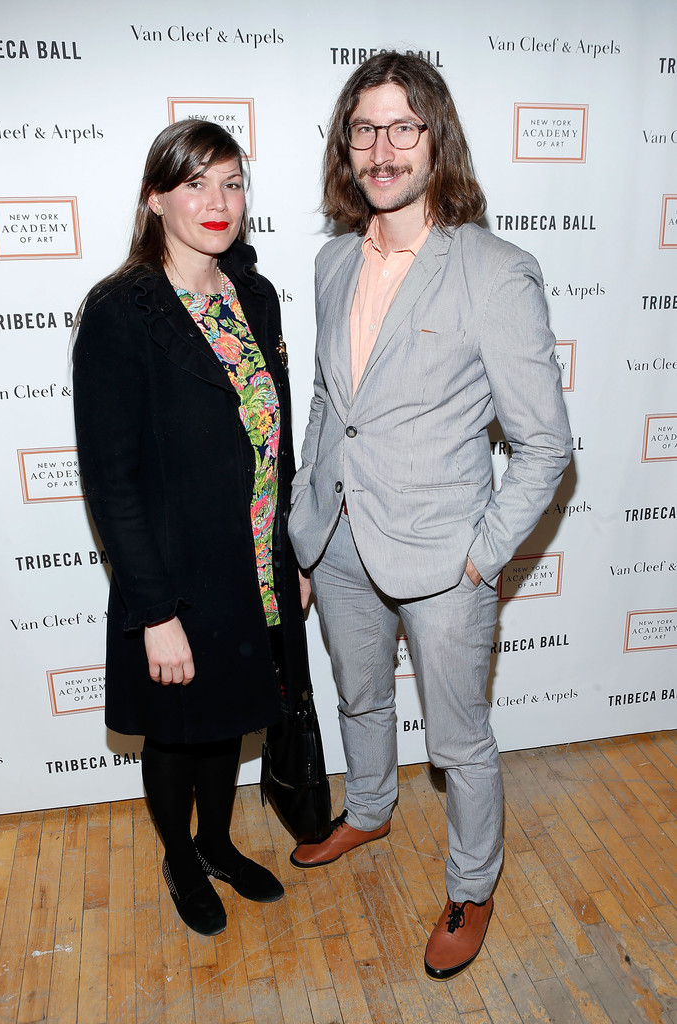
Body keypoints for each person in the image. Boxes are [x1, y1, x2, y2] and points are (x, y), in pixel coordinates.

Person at [288, 53, 572, 979]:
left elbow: (544, 446)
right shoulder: (332, 260)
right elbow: (333, 406)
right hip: (337, 539)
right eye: (363, 129)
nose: (381, 148)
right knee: (359, 696)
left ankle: (472, 882)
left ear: (434, 137)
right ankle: (368, 806)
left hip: (447, 552)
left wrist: (484, 557)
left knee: (458, 743)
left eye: (401, 127)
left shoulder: (494, 270)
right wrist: (303, 525)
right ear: (346, 145)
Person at [73, 120, 310, 936]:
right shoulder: (121, 309)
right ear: (155, 199)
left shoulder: (256, 293)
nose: (218, 202)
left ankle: (218, 842)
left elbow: (275, 438)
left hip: (251, 565)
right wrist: (155, 611)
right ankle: (180, 857)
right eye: (195, 184)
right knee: (177, 734)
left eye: (232, 183)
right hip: (174, 577)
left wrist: (290, 554)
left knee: (230, 721)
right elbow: (109, 480)